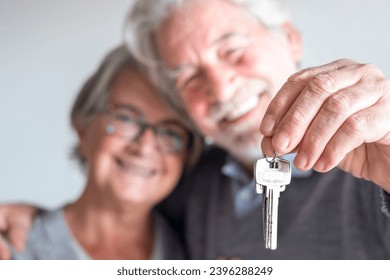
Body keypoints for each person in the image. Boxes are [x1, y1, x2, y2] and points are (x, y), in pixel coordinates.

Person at [2, 0, 390, 259]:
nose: (220, 88)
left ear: (289, 38)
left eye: (232, 51)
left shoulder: (374, 160)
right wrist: (40, 232)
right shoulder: (192, 187)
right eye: (189, 77)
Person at [0, 45, 201, 260]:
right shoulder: (15, 250)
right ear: (83, 125)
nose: (144, 146)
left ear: (187, 155)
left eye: (170, 132)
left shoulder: (199, 251)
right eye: (126, 118)